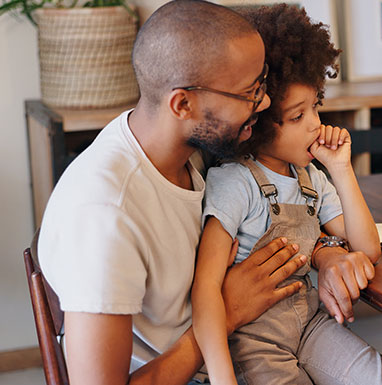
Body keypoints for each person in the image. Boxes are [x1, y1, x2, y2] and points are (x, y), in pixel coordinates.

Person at [36, 1, 357, 384]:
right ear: (183, 103)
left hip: (253, 344)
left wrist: (324, 252)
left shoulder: (193, 149)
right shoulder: (106, 214)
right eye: (249, 92)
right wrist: (228, 311)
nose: (266, 102)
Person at [191, 4, 382, 385]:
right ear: (258, 124)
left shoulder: (312, 178)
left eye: (316, 107)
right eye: (297, 117)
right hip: (252, 341)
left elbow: (367, 248)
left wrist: (341, 169)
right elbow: (205, 285)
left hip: (309, 326)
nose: (316, 125)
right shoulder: (235, 183)